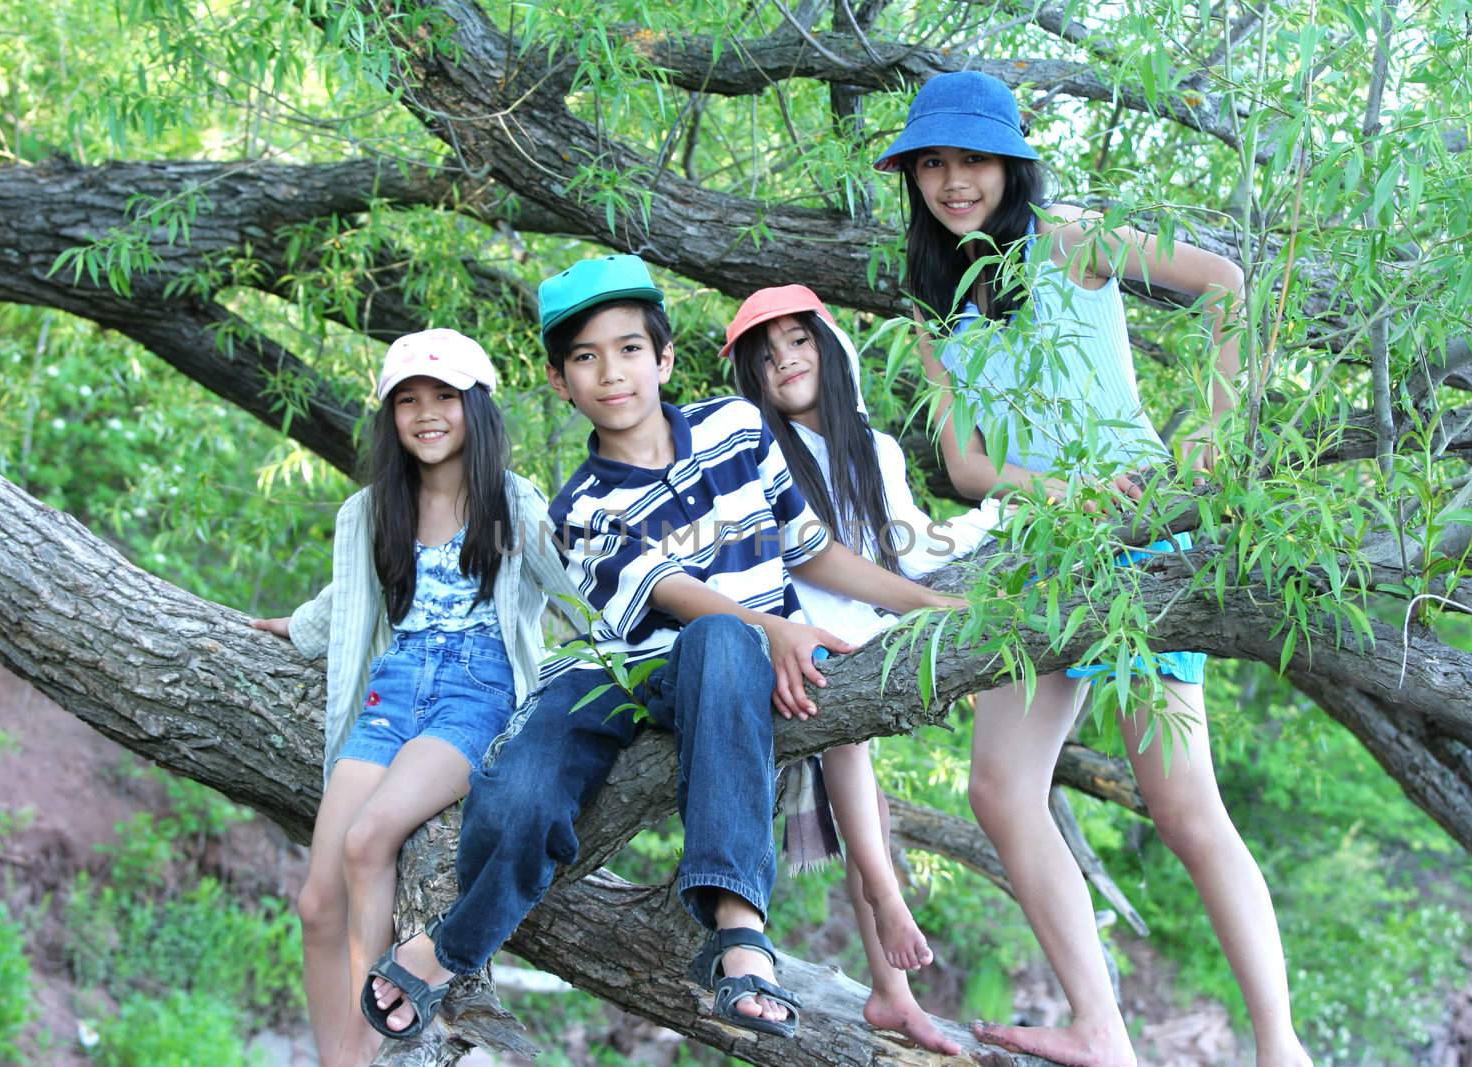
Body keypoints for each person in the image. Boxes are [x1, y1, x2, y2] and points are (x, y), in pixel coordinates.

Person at [363, 254, 963, 1042]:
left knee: (722, 639)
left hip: (723, 670)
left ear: (665, 358)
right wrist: (774, 625)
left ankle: (739, 924)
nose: (611, 372)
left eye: (629, 348)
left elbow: (811, 552)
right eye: (585, 357)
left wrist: (929, 602)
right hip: (623, 671)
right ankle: (450, 945)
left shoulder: (739, 429)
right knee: (520, 787)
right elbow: (666, 592)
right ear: (559, 380)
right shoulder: (580, 505)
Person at [877, 71, 1311, 1067]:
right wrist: (1059, 494)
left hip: (1141, 541)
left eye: (972, 160)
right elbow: (967, 465)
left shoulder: (1069, 236)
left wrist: (1206, 440)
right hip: (1037, 552)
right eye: (933, 164)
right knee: (998, 787)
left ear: (1010, 165)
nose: (953, 182)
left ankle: (1280, 1045)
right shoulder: (928, 301)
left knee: (1184, 803)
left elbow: (1228, 284)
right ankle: (1100, 1024)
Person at [251, 329, 575, 1064]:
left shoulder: (507, 503)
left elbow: (579, 591)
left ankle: (375, 1044)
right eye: (408, 399)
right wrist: (293, 627)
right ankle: (342, 1058)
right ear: (391, 415)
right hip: (394, 690)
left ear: (475, 408)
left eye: (444, 397)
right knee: (315, 902)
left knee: (371, 840)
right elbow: (347, 596)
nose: (427, 413)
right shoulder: (373, 509)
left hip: (476, 691)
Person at [724, 283, 1005, 1055]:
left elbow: (910, 544)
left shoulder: (872, 449)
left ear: (829, 348)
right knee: (848, 744)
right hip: (790, 635)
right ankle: (884, 898)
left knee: (867, 808)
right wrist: (914, 605)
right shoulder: (757, 448)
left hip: (859, 633)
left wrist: (1000, 521)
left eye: (799, 341)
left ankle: (891, 992)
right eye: (766, 353)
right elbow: (793, 558)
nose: (785, 360)